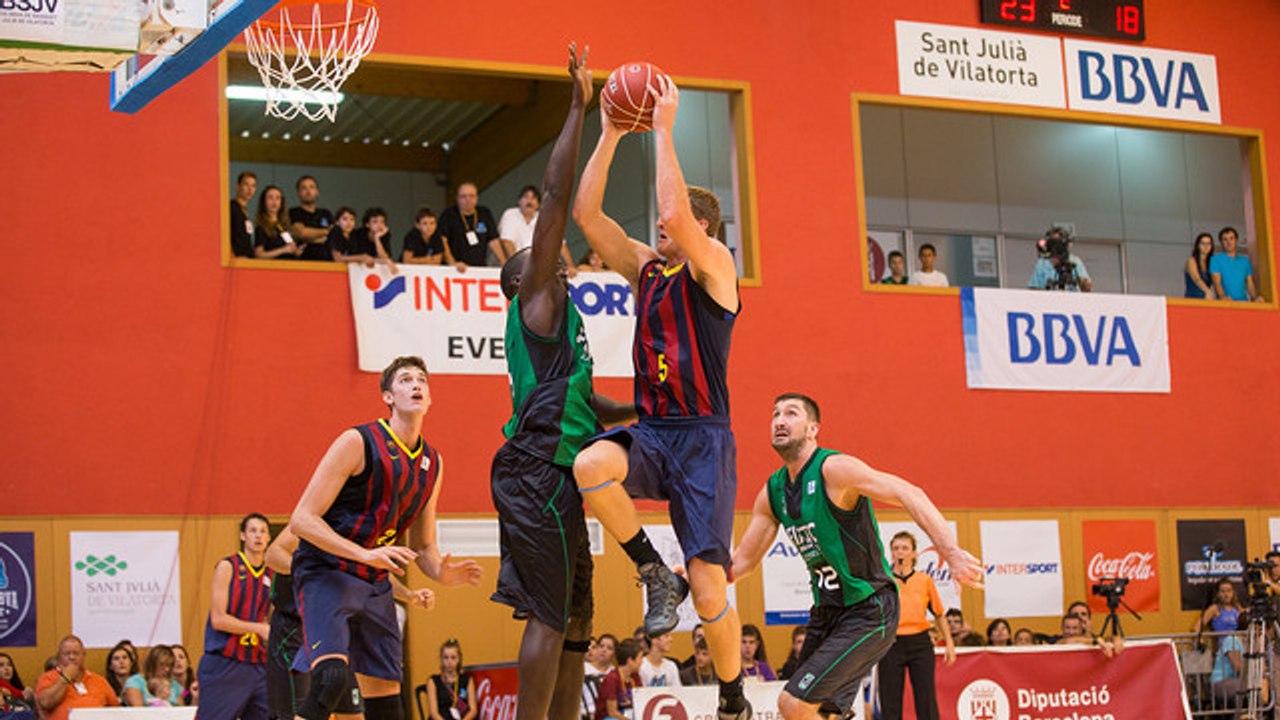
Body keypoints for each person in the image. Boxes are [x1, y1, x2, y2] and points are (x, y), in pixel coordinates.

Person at [573, 72, 749, 720]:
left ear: (704, 227)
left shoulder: (717, 268)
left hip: (704, 437)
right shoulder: (647, 270)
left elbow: (674, 211)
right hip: (654, 431)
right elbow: (587, 217)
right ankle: (650, 568)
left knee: (708, 589)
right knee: (589, 465)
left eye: (678, 222)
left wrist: (667, 127)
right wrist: (612, 132)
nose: (663, 225)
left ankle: (733, 696)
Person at [492, 45, 635, 720]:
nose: (558, 256)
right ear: (520, 279)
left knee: (579, 617)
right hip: (535, 468)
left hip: (562, 466)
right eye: (541, 253)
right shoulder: (535, 302)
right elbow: (553, 196)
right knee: (550, 613)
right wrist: (577, 106)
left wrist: (646, 407)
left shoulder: (566, 324)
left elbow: (590, 404)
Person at [730, 393, 983, 720]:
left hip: (870, 610)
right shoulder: (772, 492)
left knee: (792, 704)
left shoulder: (834, 469)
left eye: (791, 413)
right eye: (775, 413)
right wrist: (695, 577)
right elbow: (742, 564)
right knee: (816, 714)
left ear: (812, 429)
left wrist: (951, 552)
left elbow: (909, 492)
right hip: (826, 615)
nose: (779, 420)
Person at [288, 355, 482, 720]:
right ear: (387, 396)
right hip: (328, 571)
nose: (416, 385)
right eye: (405, 380)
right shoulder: (357, 441)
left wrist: (441, 572)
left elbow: (423, 546)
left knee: (387, 705)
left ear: (430, 397)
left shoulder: (432, 464)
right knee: (331, 679)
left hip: (374, 582)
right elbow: (302, 520)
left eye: (421, 380)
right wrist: (365, 556)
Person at [263, 524, 432, 720]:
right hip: (296, 630)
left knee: (352, 713)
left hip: (340, 630)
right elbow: (273, 555)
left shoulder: (362, 525)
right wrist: (316, 569)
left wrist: (409, 595)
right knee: (312, 702)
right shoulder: (317, 518)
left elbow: (372, 571)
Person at [195, 513, 274, 720]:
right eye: (253, 531)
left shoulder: (272, 574)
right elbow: (218, 619)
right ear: (242, 536)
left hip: (258, 664)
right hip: (225, 662)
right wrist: (259, 628)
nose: (258, 536)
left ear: (269, 538)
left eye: (263, 531)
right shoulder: (227, 566)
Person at [878, 531, 954, 720]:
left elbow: (938, 613)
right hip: (891, 644)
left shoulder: (924, 580)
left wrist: (950, 643)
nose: (900, 552)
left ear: (914, 554)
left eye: (904, 548)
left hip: (920, 643)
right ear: (891, 553)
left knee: (926, 698)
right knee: (890, 700)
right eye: (895, 548)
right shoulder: (883, 581)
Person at [35, 636, 119, 720]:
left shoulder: (99, 680)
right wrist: (65, 677)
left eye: (76, 653)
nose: (72, 657)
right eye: (67, 654)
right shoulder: (48, 678)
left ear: (83, 655)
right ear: (58, 656)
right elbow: (45, 703)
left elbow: (116, 711)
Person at [439, 182, 503, 270]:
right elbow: (443, 241)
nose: (468, 199)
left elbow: (494, 241)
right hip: (456, 268)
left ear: (477, 198)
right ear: (457, 198)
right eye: (463, 196)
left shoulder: (484, 213)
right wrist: (452, 263)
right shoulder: (449, 214)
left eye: (471, 196)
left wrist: (504, 262)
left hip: (479, 267)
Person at [1027, 227, 1091, 292]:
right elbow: (1033, 287)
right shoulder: (1042, 263)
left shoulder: (1075, 261)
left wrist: (1082, 282)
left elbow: (1087, 287)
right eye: (1052, 243)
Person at [334, 207, 397, 272]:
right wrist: (384, 261)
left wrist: (377, 238)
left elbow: (384, 257)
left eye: (382, 222)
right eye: (375, 222)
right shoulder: (359, 235)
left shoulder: (385, 235)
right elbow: (362, 259)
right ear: (367, 224)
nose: (379, 225)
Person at [1210, 226, 1264, 302]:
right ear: (1221, 242)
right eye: (1225, 239)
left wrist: (1255, 298)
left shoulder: (1245, 261)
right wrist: (1223, 297)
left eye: (1231, 238)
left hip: (1243, 303)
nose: (1229, 242)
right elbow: (1217, 283)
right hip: (1225, 304)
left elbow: (1250, 284)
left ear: (1236, 240)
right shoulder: (1215, 259)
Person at [426, 640, 476, 720]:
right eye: (446, 658)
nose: (449, 661)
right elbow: (434, 713)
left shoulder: (467, 680)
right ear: (441, 659)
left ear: (459, 659)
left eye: (453, 658)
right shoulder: (433, 681)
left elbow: (473, 710)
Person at [593, 639, 642, 720]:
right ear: (630, 660)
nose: (642, 661)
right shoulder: (612, 679)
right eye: (640, 658)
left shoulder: (635, 676)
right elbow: (612, 713)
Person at [289, 176, 335, 261]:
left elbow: (334, 236)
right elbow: (302, 233)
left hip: (327, 262)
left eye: (311, 187)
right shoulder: (294, 212)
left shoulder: (326, 213)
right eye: (304, 188)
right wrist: (326, 232)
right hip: (304, 262)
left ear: (317, 192)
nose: (308, 191)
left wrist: (310, 238)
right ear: (298, 193)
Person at [254, 185, 302, 259]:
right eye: (270, 198)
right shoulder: (261, 227)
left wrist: (296, 250)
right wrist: (283, 250)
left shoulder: (283, 226)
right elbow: (259, 254)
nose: (274, 201)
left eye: (278, 198)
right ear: (264, 202)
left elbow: (290, 248)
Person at [230, 171, 258, 258]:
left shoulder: (245, 211)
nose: (250, 189)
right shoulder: (231, 207)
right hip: (237, 259)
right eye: (246, 185)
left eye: (253, 186)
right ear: (238, 186)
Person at [1185, 232, 1216, 299]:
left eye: (1208, 244)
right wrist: (1208, 291)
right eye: (1203, 243)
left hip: (1206, 299)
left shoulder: (1212, 262)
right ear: (1198, 245)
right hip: (1192, 299)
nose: (1206, 246)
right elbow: (1197, 279)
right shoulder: (1192, 261)